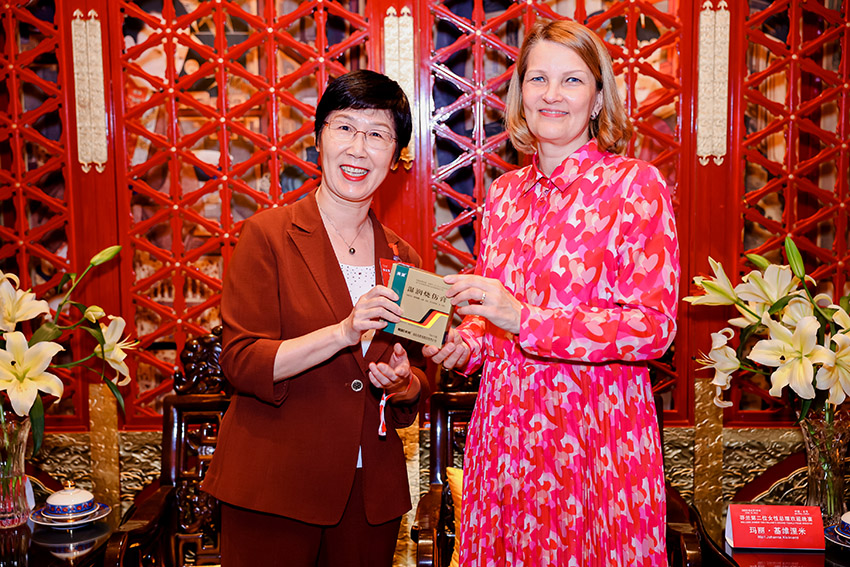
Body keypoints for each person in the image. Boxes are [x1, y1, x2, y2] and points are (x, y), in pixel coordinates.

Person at [425, 20, 680, 566]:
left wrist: (525, 320)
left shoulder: (636, 186)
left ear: (598, 98)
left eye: (572, 80)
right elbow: (491, 318)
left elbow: (654, 328)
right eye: (538, 78)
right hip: (506, 434)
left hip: (596, 434)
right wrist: (464, 345)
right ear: (521, 94)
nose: (552, 94)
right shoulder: (503, 195)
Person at [202, 70, 425, 567]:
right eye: (345, 127)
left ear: (396, 157)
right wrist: (343, 332)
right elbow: (241, 362)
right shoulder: (267, 236)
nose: (358, 149)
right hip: (273, 488)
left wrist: (404, 382)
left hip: (369, 500)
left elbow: (413, 380)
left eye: (378, 135)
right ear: (319, 137)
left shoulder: (402, 259)